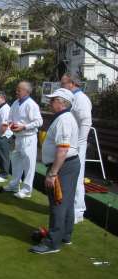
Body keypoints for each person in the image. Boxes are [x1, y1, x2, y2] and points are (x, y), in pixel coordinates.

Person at [30, 88, 80, 254]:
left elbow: (62, 150)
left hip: (63, 166)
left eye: (53, 100)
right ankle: (65, 235)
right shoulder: (64, 118)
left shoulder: (64, 120)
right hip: (68, 164)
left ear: (62, 102)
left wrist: (53, 173)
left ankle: (52, 243)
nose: (50, 103)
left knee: (57, 203)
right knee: (65, 202)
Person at [61, 73, 92, 224]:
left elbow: (86, 122)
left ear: (72, 83)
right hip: (71, 144)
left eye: (63, 83)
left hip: (78, 145)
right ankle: (71, 209)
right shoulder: (72, 99)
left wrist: (79, 143)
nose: (61, 86)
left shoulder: (81, 99)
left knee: (78, 177)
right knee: (71, 177)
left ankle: (78, 211)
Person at [4, 81, 43, 199]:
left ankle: (27, 190)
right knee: (16, 161)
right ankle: (15, 185)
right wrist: (11, 125)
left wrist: (24, 126)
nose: (16, 92)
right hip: (18, 137)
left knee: (29, 165)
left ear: (27, 91)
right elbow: (10, 118)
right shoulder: (16, 103)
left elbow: (39, 122)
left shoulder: (32, 105)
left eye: (19, 90)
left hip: (29, 137)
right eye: (17, 89)